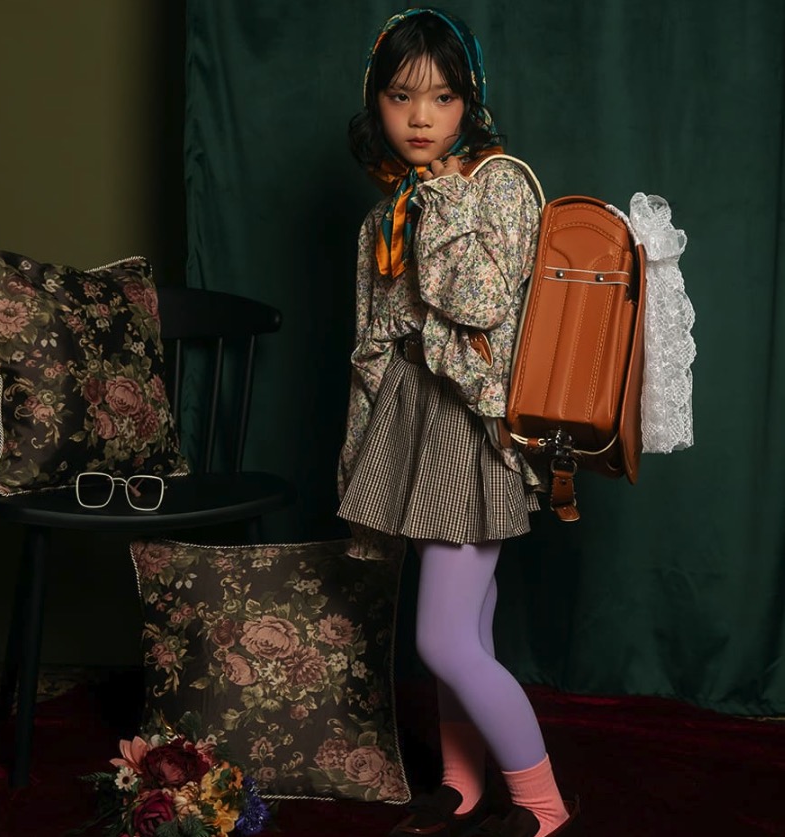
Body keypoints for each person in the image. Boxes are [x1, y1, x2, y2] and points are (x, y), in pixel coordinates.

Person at [337, 8, 579, 837]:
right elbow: (370, 347)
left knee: (443, 638)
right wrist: (358, 452)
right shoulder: (384, 215)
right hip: (407, 423)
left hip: (469, 428)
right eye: (400, 96)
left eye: (441, 98)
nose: (420, 117)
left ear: (468, 103)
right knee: (466, 626)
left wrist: (442, 197)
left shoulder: (495, 184)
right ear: (374, 100)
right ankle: (460, 786)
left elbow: (479, 302)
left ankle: (543, 807)